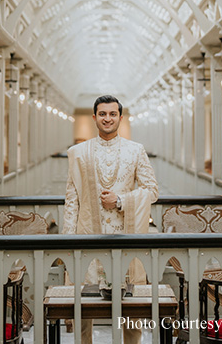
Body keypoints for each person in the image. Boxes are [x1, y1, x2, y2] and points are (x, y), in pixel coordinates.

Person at [63, 94, 159, 343]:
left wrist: (121, 201)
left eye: (113, 114)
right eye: (103, 114)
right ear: (94, 117)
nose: (108, 118)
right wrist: (66, 241)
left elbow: (152, 191)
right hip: (87, 239)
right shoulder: (77, 153)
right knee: (84, 305)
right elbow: (71, 200)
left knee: (130, 305)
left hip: (126, 238)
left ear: (120, 117)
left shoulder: (135, 150)